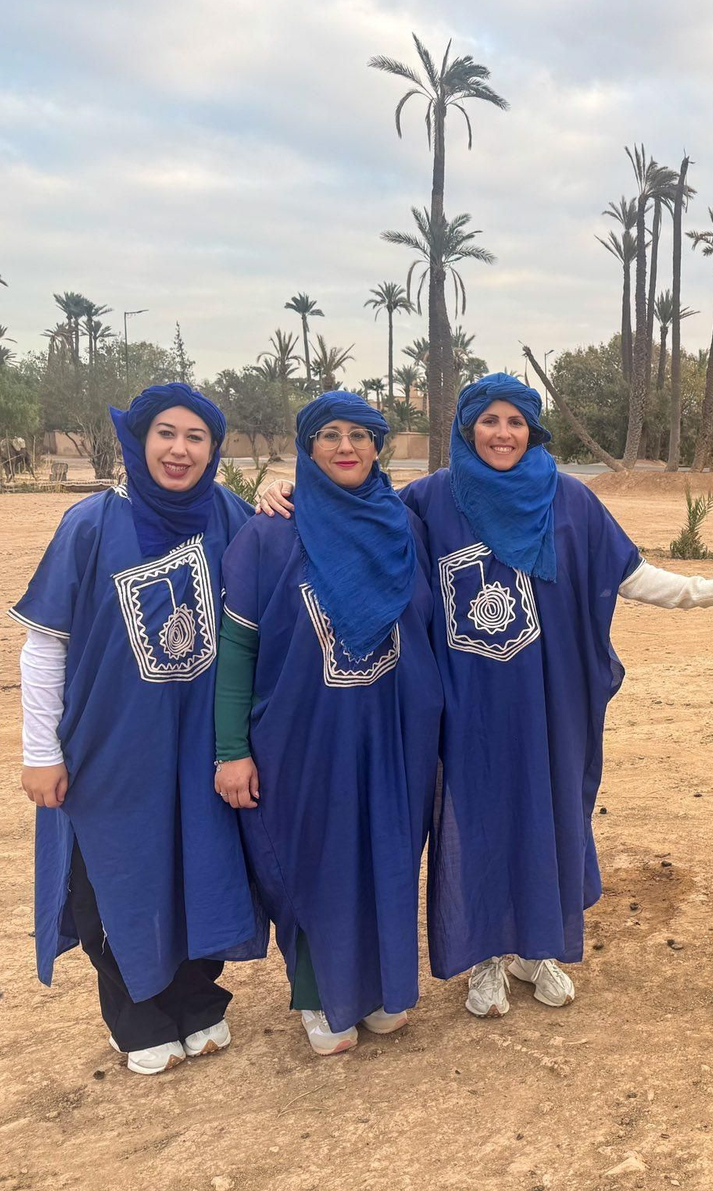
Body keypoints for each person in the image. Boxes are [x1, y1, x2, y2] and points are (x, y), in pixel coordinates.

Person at [258, 373, 713, 1018]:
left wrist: (709, 590)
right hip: (469, 706)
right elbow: (360, 514)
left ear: (532, 430)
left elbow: (629, 575)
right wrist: (292, 489)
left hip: (549, 703)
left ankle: (536, 949)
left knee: (548, 815)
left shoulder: (569, 500)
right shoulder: (432, 499)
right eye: (488, 421)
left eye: (515, 421)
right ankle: (485, 959)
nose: (502, 434)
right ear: (468, 429)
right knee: (478, 820)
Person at [14, 382, 260, 1075]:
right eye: (165, 434)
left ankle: (197, 1000)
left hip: (199, 743)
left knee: (200, 866)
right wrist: (40, 751)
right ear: (139, 441)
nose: (180, 450)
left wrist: (283, 498)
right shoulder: (90, 525)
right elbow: (45, 644)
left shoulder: (230, 515)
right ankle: (137, 1015)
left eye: (196, 438)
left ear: (214, 449)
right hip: (111, 746)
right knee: (119, 873)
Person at [214, 391, 442, 1056]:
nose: (346, 447)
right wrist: (231, 749)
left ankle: (377, 989)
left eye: (360, 435)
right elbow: (239, 647)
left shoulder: (405, 525)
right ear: (307, 447)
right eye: (329, 434)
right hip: (301, 740)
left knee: (385, 856)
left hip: (393, 736)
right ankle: (318, 996)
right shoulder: (269, 534)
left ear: (378, 447)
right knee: (314, 858)